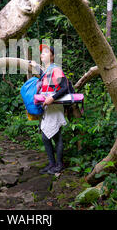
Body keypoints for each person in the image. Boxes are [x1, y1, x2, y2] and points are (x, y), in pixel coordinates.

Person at [30, 44, 69, 174]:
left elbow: (64, 88)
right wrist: (35, 65)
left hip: (54, 105)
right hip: (48, 107)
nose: (42, 54)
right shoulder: (47, 71)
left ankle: (59, 164)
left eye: (45, 52)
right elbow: (44, 78)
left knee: (55, 136)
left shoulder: (56, 70)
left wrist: (52, 99)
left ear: (52, 56)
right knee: (45, 136)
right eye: (41, 52)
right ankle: (52, 164)